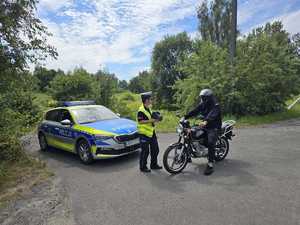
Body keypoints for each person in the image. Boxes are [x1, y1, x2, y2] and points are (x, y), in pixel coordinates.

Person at [183, 89, 222, 175]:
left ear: (208, 98)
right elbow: (196, 110)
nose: (202, 99)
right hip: (204, 125)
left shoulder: (215, 104)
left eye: (203, 98)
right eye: (201, 98)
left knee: (211, 142)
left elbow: (213, 114)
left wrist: (206, 121)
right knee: (191, 133)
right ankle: (188, 154)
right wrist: (185, 116)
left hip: (213, 127)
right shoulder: (204, 103)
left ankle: (210, 164)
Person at [137, 92, 162, 173]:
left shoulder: (149, 108)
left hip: (151, 132)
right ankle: (143, 167)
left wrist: (156, 118)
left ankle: (153, 165)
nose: (151, 100)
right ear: (146, 100)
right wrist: (151, 120)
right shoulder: (141, 110)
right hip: (143, 134)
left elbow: (151, 118)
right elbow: (140, 121)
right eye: (150, 99)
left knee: (155, 149)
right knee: (145, 151)